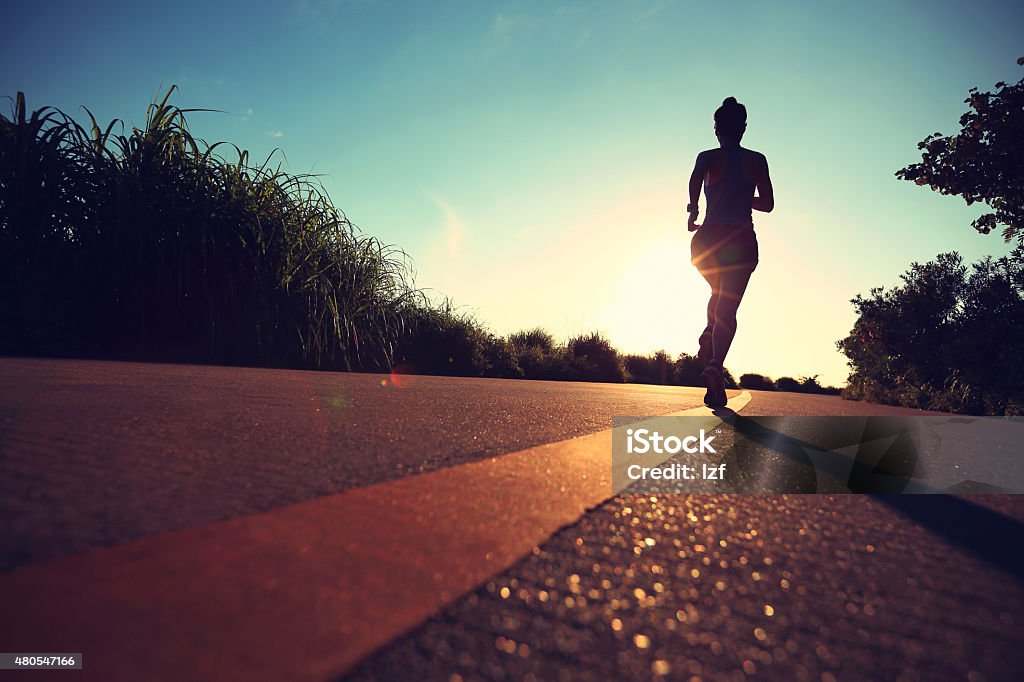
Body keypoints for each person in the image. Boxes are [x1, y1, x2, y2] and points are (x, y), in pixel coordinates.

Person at [686, 97, 774, 407]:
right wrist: (742, 196)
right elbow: (768, 204)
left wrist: (693, 209)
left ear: (716, 129)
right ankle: (715, 363)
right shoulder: (757, 160)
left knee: (717, 293)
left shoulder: (707, 157)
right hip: (740, 240)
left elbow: (695, 178)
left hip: (708, 238)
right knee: (728, 306)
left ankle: (711, 333)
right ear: (744, 128)